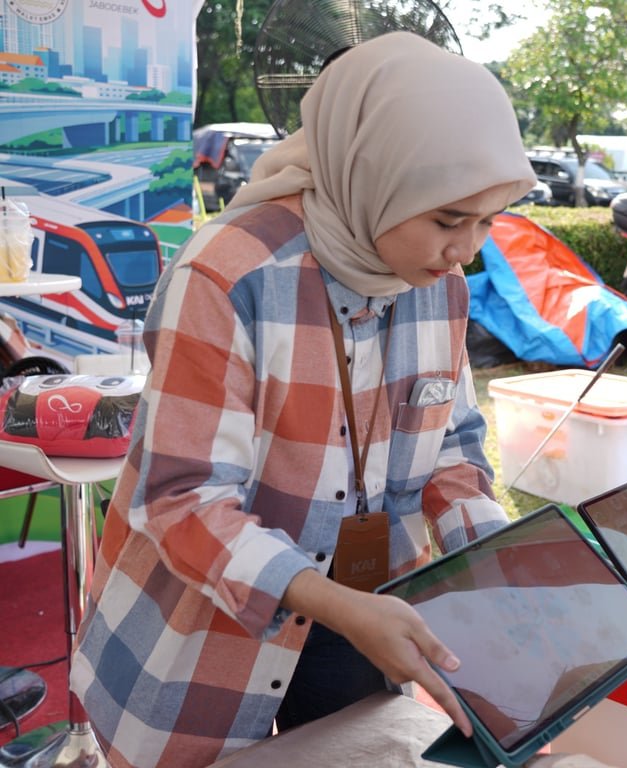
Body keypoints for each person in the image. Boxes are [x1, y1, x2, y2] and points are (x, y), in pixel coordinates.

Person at [69, 32, 537, 768]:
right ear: (371, 176)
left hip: (367, 615)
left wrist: (496, 567)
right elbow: (184, 500)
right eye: (449, 220)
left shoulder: (438, 286)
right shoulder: (230, 275)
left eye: (488, 221)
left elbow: (451, 448)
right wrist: (337, 603)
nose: (466, 251)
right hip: (206, 630)